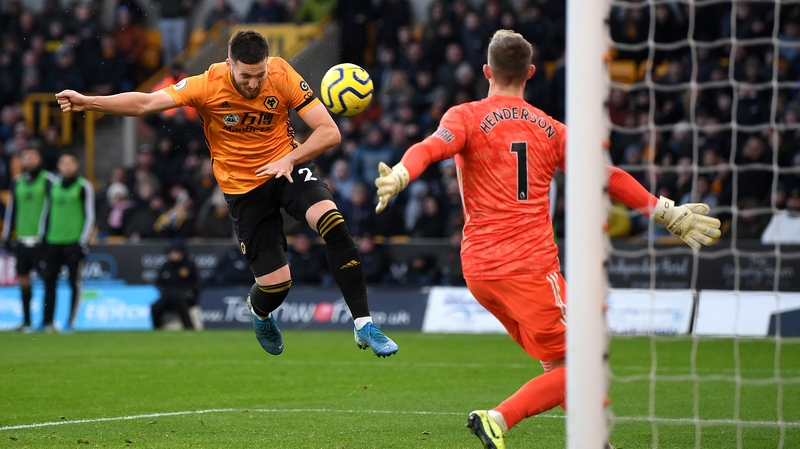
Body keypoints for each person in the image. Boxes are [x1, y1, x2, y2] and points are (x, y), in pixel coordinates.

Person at [374, 30, 721, 448]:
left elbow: (430, 148)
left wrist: (400, 174)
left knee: (560, 363)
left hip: (479, 270)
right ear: (531, 74)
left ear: (487, 71)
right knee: (587, 360)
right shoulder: (552, 130)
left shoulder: (463, 115)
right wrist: (664, 211)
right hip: (530, 268)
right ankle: (498, 418)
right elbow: (607, 176)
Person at [55, 29, 397, 357]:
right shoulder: (206, 85)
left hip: (286, 169)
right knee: (277, 286)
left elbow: (329, 132)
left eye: (259, 74)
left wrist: (289, 158)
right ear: (230, 64)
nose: (253, 82)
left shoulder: (281, 74)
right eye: (246, 75)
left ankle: (363, 322)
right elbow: (146, 103)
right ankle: (260, 313)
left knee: (333, 222)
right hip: (242, 190)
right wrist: (89, 102)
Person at [39, 153, 95, 332]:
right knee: (49, 282)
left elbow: (90, 214)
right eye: (63, 163)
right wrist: (43, 236)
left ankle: (70, 322)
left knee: (74, 282)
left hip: (73, 241)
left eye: (70, 163)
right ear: (59, 165)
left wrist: (83, 240)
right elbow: (45, 212)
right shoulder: (52, 185)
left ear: (76, 165)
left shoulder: (84, 186)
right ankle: (47, 322)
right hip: (53, 240)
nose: (67, 166)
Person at [1, 147, 55, 332]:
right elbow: (11, 211)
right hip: (23, 239)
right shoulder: (17, 182)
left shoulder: (48, 181)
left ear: (39, 159)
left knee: (48, 280)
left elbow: (53, 210)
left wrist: (48, 235)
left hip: (42, 240)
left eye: (33, 156)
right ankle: (26, 321)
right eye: (26, 157)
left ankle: (48, 322)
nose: (29, 160)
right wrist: (7, 235)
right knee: (23, 279)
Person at [151, 240, 201, 330]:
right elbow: (159, 283)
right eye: (172, 252)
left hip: (184, 297)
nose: (174, 255)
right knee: (155, 307)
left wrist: (189, 292)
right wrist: (165, 292)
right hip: (169, 296)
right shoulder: (167, 265)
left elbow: (197, 283)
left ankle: (189, 328)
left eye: (176, 252)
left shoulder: (189, 265)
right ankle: (157, 329)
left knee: (181, 302)